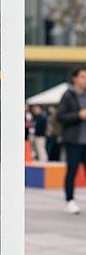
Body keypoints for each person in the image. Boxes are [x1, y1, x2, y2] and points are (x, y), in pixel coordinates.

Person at [56, 65, 86, 214]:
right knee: (72, 171)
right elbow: (59, 117)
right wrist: (78, 115)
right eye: (82, 77)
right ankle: (69, 200)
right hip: (73, 141)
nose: (85, 80)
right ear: (75, 78)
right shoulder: (68, 96)